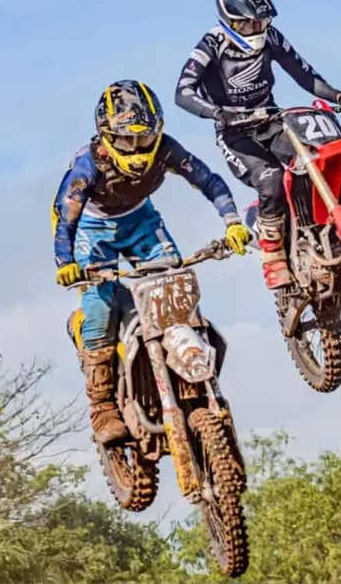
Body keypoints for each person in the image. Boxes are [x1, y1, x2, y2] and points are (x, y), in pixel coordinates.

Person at [52, 79, 251, 445]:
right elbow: (66, 213)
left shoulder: (167, 150)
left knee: (174, 287)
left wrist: (233, 222)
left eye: (144, 139)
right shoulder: (88, 164)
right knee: (101, 304)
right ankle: (102, 408)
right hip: (92, 228)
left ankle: (191, 368)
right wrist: (65, 261)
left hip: (141, 220)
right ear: (107, 136)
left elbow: (209, 180)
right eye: (127, 141)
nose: (138, 148)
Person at [174, 0, 341, 290]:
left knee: (313, 161)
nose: (257, 30)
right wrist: (216, 112)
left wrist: (338, 97)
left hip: (271, 120)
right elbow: (182, 92)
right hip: (234, 133)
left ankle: (322, 237)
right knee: (270, 179)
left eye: (261, 22)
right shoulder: (210, 46)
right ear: (230, 20)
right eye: (249, 24)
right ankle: (274, 255)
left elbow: (305, 75)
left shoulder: (273, 38)